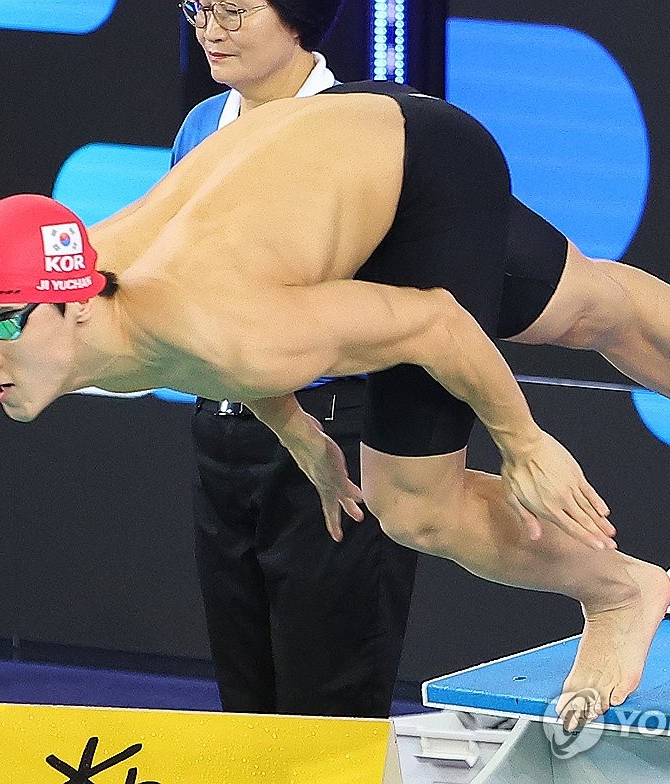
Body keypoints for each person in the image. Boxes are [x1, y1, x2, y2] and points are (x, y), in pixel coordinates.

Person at [0, 81, 670, 730]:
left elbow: (432, 323)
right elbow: (208, 350)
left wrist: (524, 439)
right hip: (350, 146)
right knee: (592, 306)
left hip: (421, 170)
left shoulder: (218, 328)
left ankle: (620, 591)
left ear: (70, 303)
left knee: (413, 502)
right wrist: (300, 436)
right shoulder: (85, 318)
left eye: (1, 325)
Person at [171, 0, 419, 718]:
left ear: (297, 16)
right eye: (197, 9)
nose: (211, 31)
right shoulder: (199, 129)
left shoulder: (365, 130)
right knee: (246, 705)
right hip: (222, 433)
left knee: (328, 708)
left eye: (234, 11)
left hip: (335, 438)